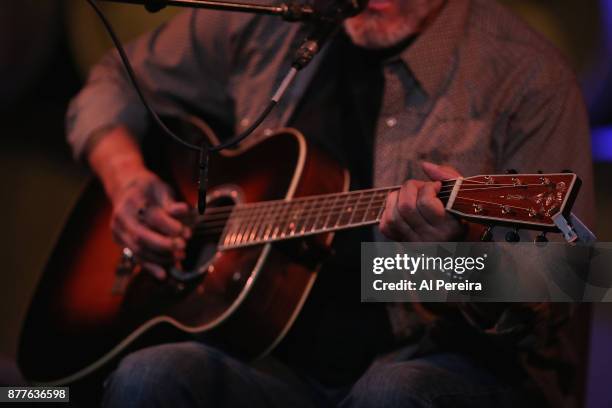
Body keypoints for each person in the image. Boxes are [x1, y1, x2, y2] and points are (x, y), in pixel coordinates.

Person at [66, 0, 595, 406]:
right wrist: (127, 179)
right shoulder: (275, 19)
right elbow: (113, 80)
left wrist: (453, 257)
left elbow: (567, 282)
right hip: (275, 364)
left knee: (391, 391)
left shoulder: (528, 76)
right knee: (151, 375)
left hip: (444, 363)